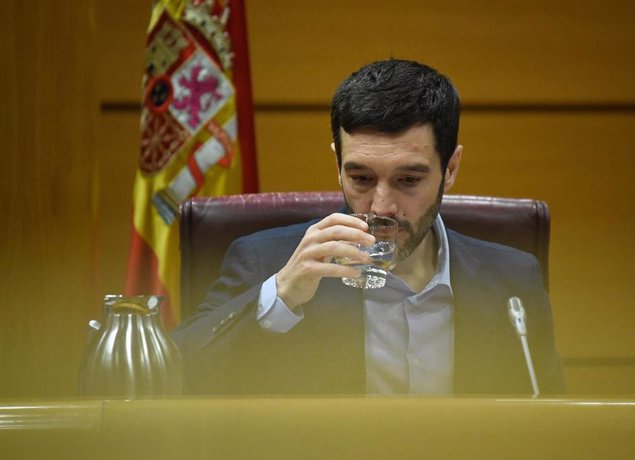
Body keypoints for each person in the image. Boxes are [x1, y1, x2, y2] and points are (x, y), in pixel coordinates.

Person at [172, 59, 565, 395]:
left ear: (451, 169)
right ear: (337, 165)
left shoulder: (513, 281)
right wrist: (280, 296)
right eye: (360, 178)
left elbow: (548, 423)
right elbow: (173, 377)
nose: (382, 207)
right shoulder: (265, 261)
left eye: (409, 180)